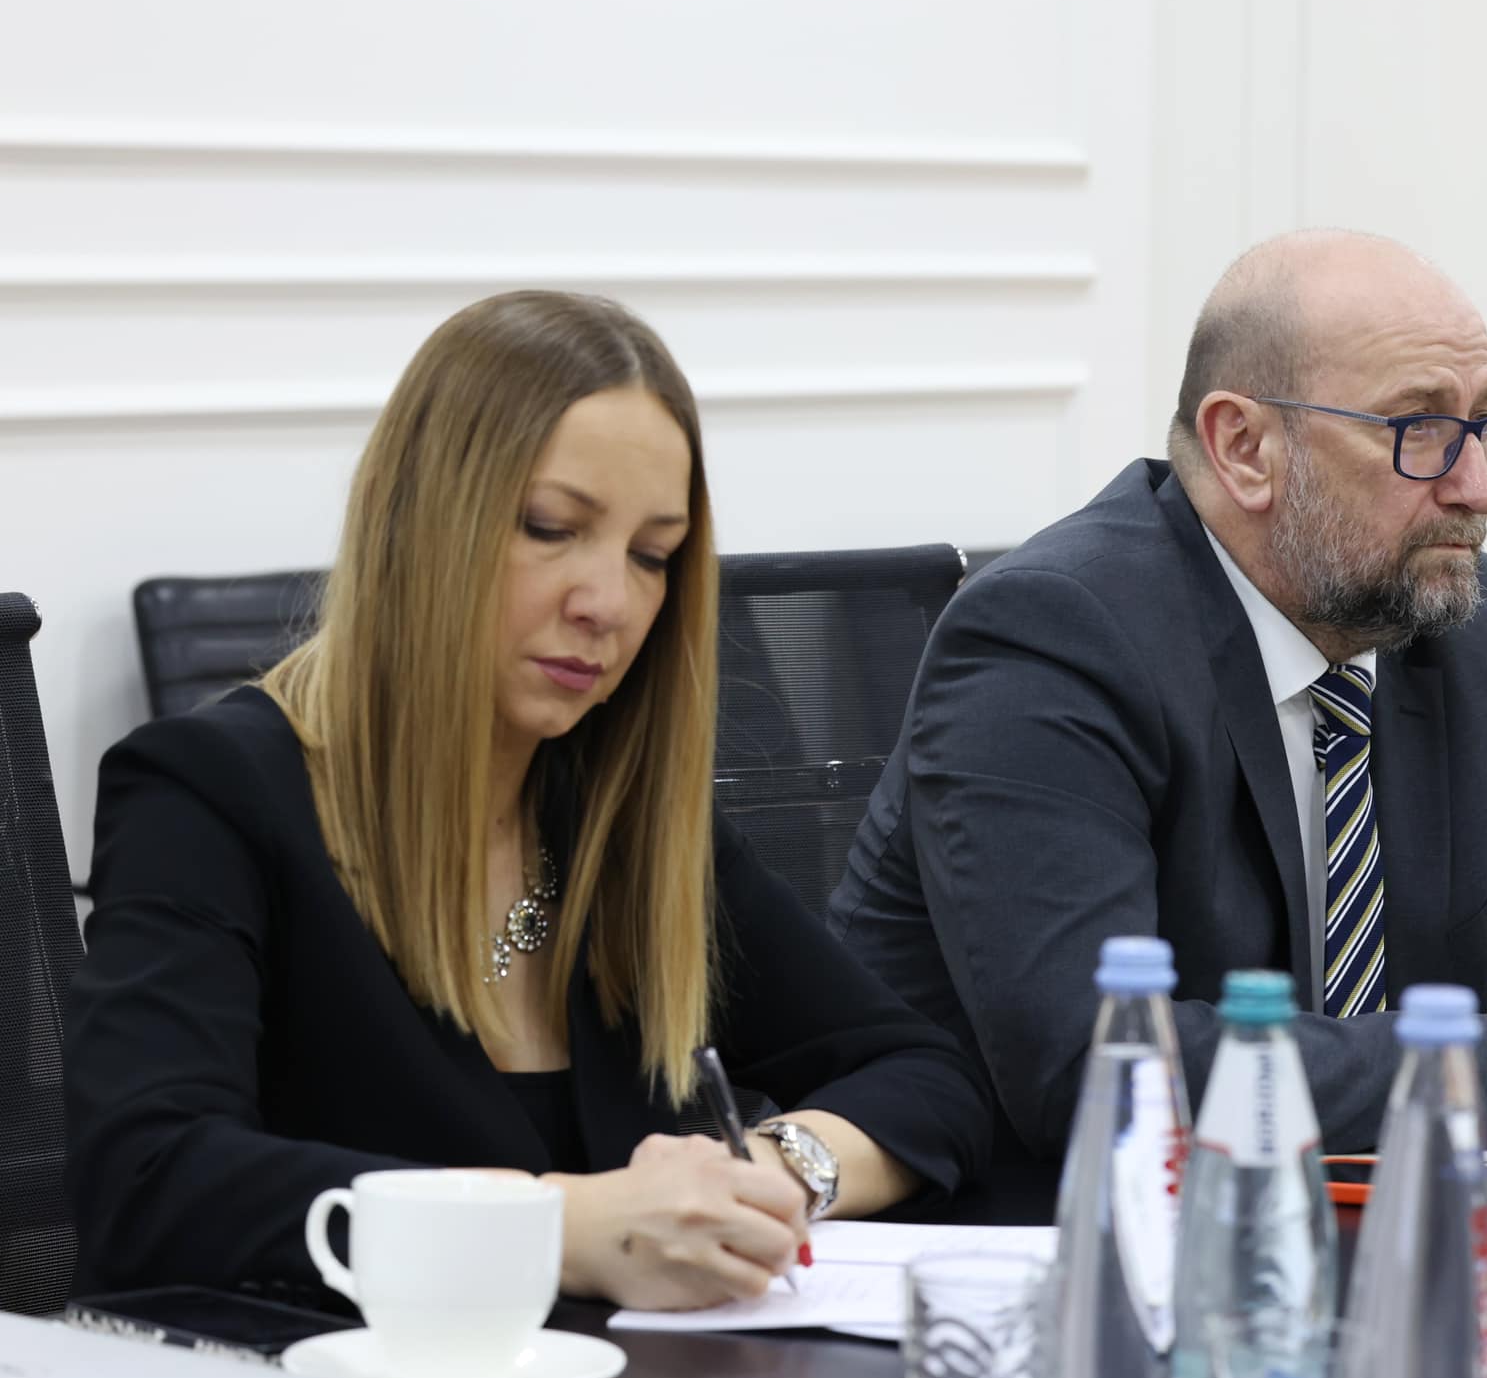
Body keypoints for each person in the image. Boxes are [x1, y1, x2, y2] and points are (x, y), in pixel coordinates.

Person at [66, 290, 992, 1310]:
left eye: (652, 555)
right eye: (552, 528)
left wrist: (769, 1174)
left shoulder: (615, 814)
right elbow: (149, 1181)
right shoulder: (208, 792)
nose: (609, 602)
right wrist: (561, 1226)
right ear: (419, 521)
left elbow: (923, 1073)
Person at [830, 229, 1487, 1164]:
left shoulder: (1469, 629)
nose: (1478, 488)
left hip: (1376, 1227)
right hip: (1042, 1234)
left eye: (1482, 428)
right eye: (1420, 430)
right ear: (1245, 446)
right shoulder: (1053, 640)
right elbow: (1092, 1068)